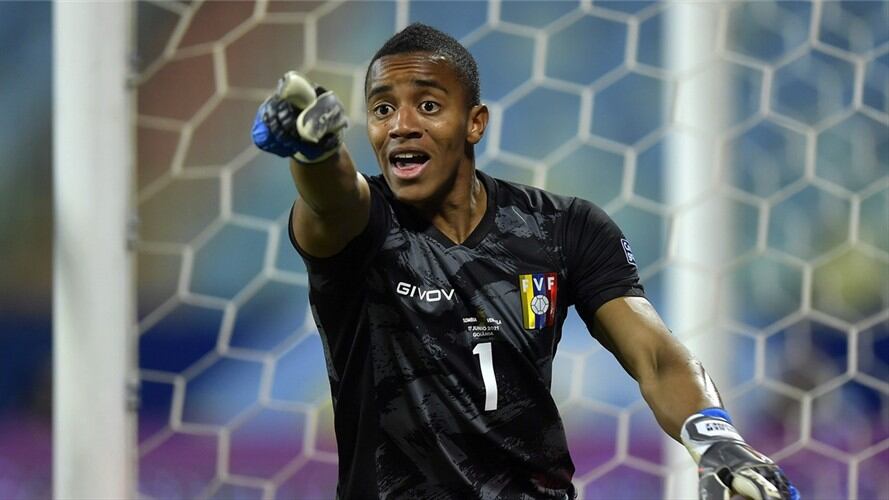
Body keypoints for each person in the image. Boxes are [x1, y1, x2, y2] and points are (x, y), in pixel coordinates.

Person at [252, 23, 798, 500]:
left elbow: (654, 355)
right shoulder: (364, 229)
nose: (400, 125)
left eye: (428, 105)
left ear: (475, 123)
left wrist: (717, 440)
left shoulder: (563, 229)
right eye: (381, 108)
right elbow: (333, 194)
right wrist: (315, 150)